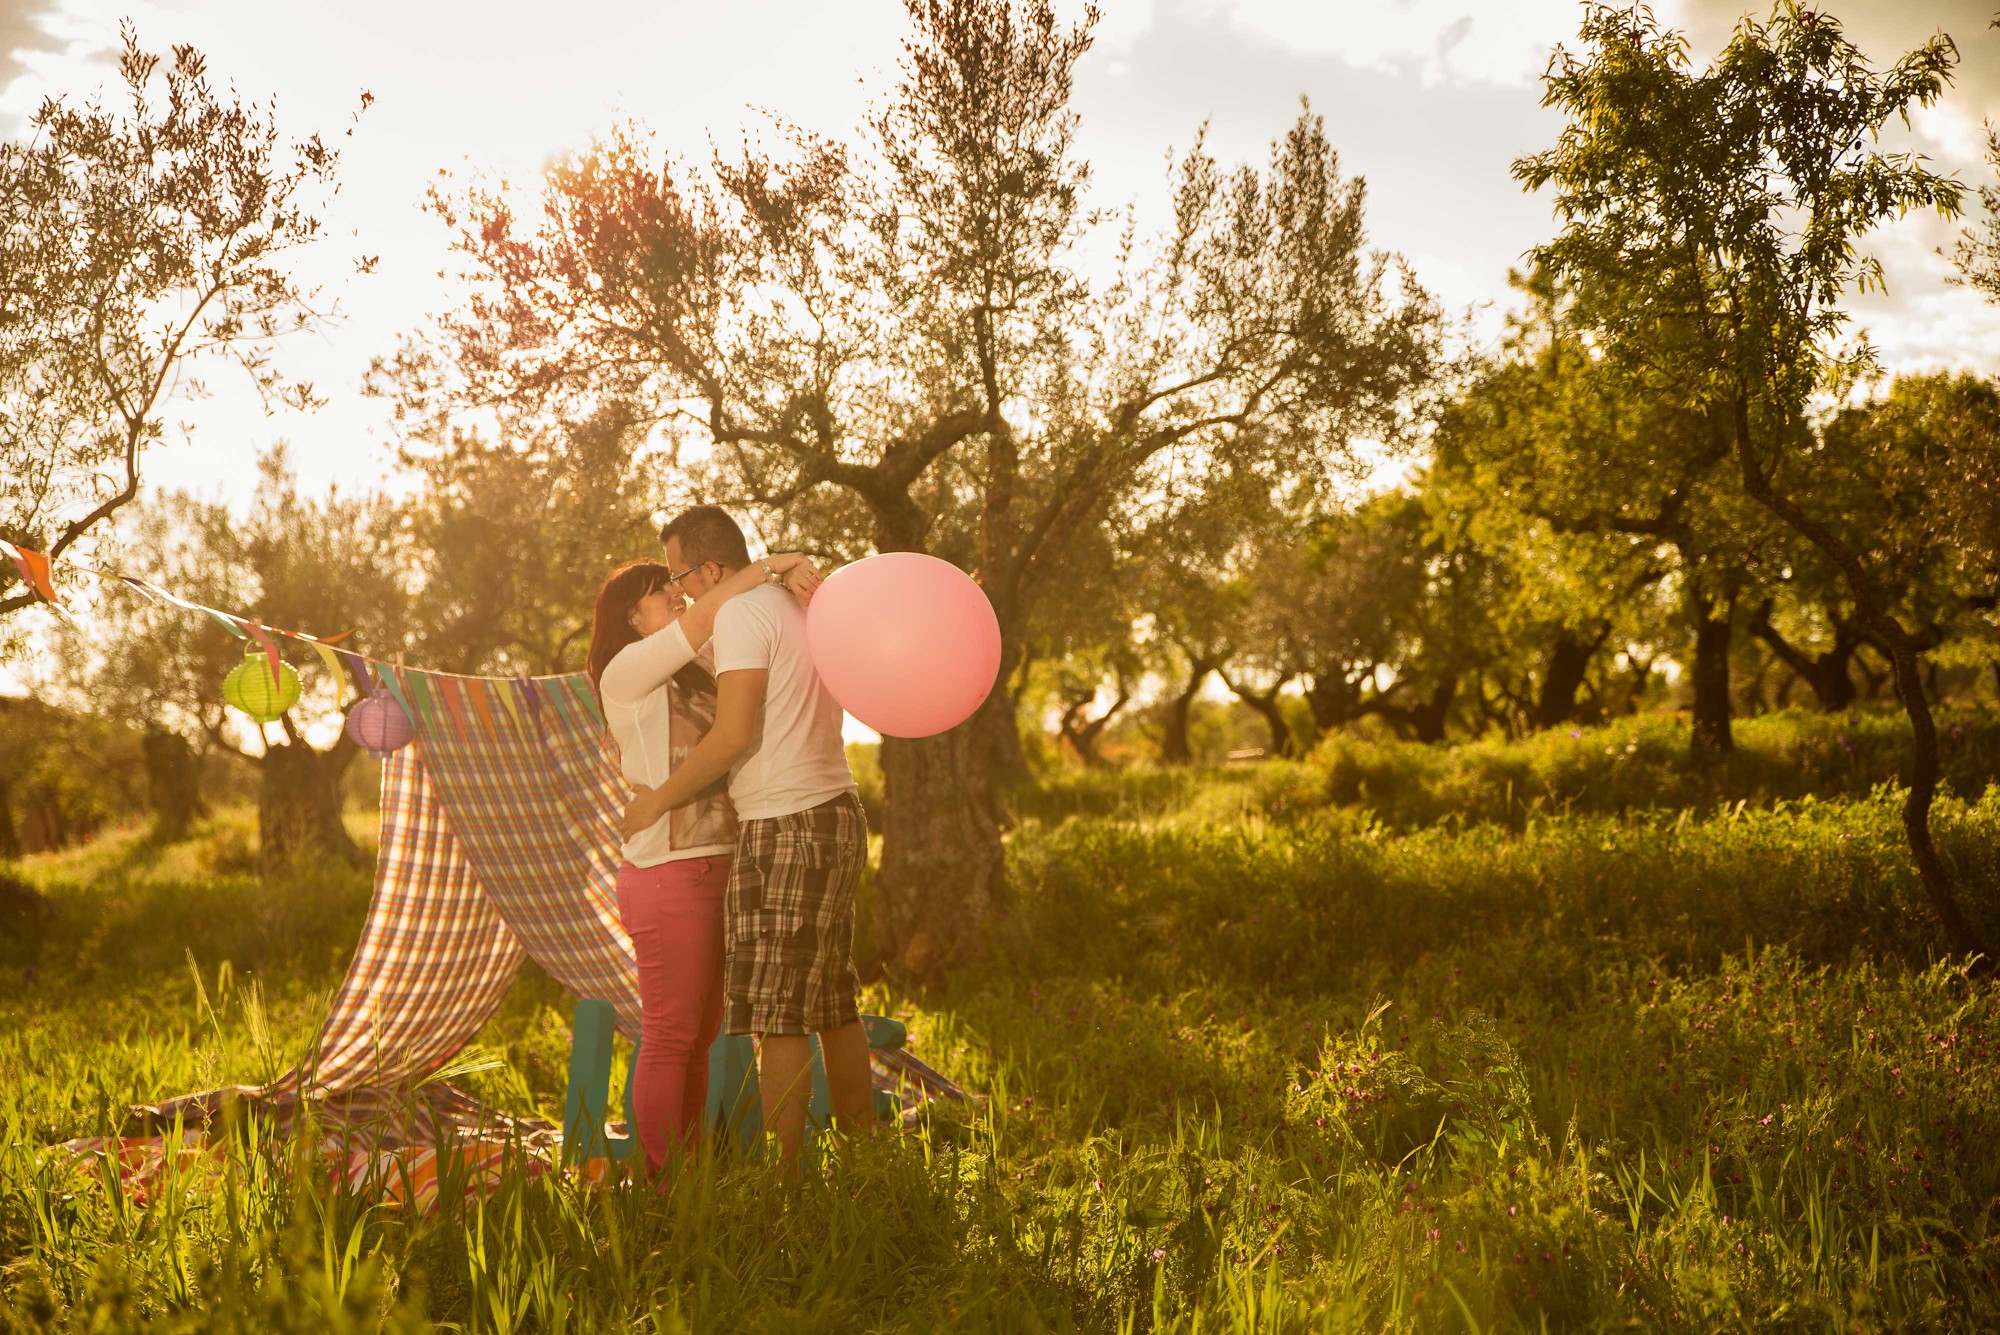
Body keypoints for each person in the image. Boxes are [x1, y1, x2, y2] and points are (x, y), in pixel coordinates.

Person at [620, 505, 872, 1173]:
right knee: (832, 1000)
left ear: (708, 567)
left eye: (681, 575)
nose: (682, 594)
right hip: (839, 808)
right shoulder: (793, 606)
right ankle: (868, 1162)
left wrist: (657, 802)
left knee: (781, 1013)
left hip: (787, 819)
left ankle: (785, 1188)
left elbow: (730, 736)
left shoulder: (740, 614)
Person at [585, 550, 820, 1177]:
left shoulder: (698, 668)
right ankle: (664, 1180)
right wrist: (775, 563)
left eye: (676, 589)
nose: (680, 599)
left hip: (721, 867)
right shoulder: (626, 672)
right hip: (668, 872)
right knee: (671, 1033)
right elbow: (713, 609)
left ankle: (687, 1172)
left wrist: (796, 590)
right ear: (633, 618)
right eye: (664, 593)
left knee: (700, 1035)